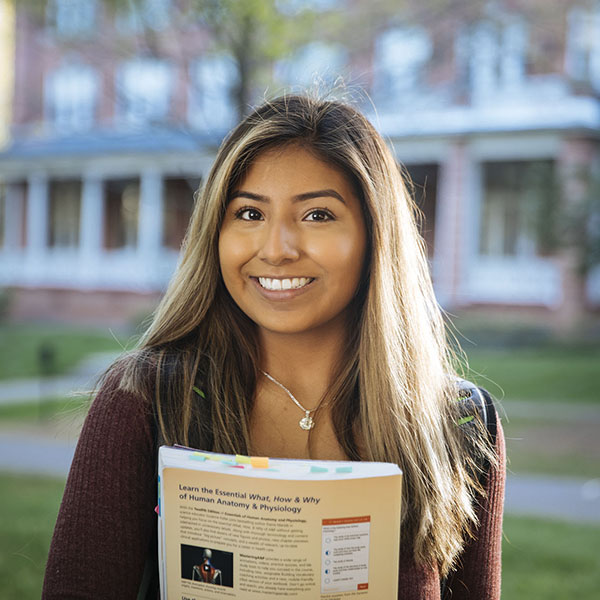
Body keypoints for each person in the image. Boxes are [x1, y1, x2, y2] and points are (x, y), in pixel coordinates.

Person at [42, 94, 505, 599]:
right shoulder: (144, 402)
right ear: (215, 232)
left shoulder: (459, 424)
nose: (277, 249)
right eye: (248, 213)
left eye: (317, 215)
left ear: (375, 236)